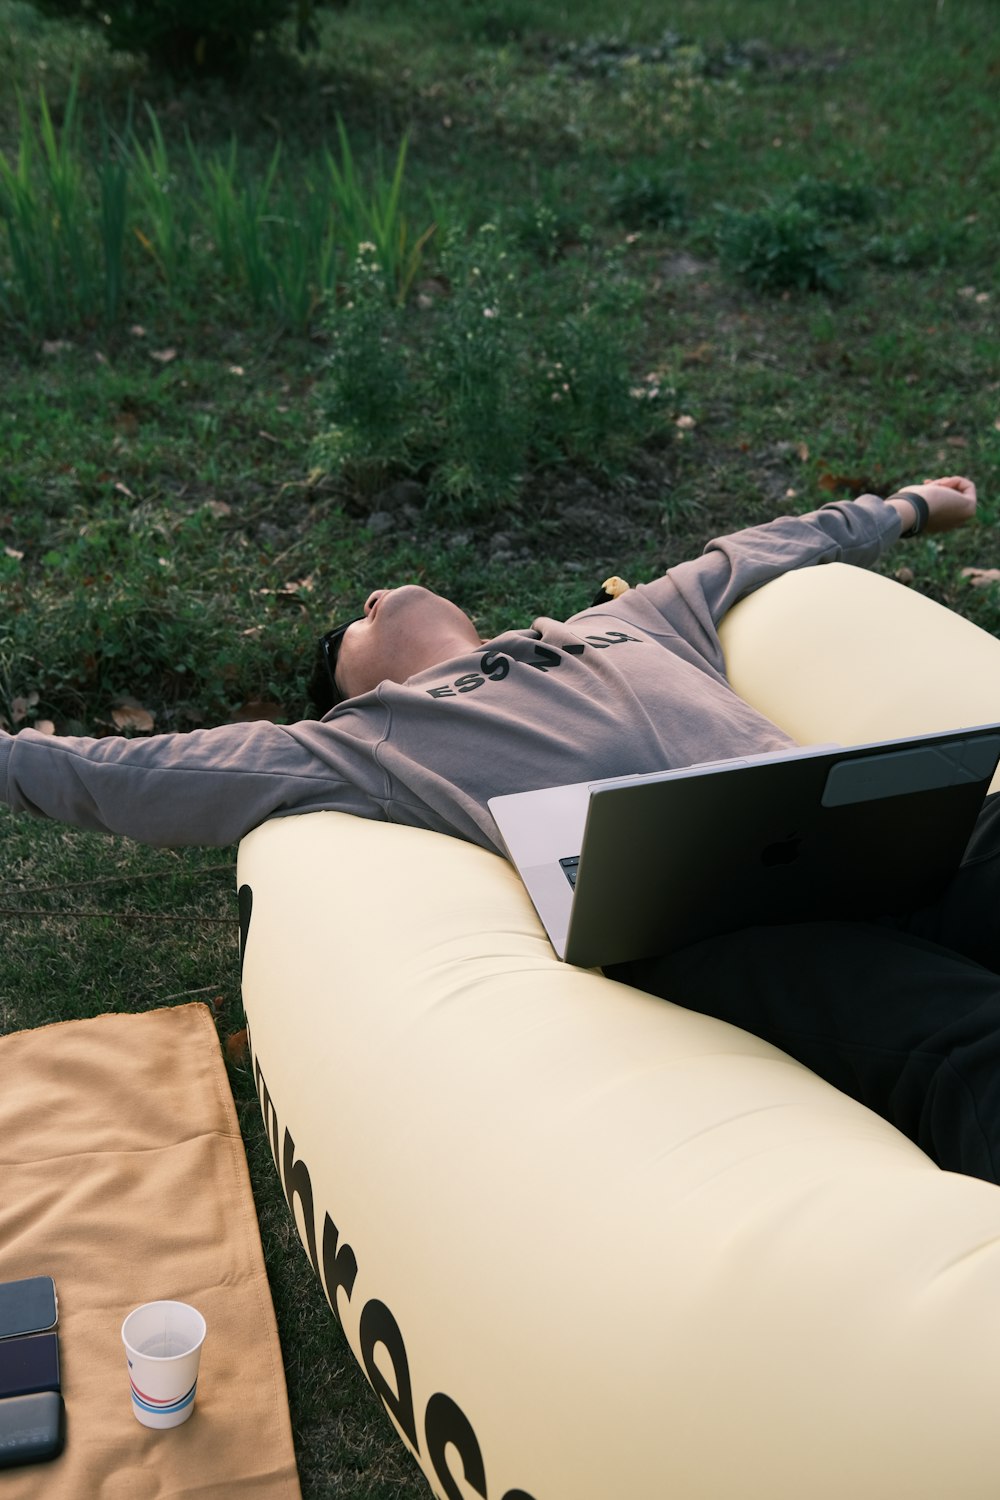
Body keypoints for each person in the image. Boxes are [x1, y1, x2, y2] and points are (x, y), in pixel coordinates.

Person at [2, 476, 996, 1182]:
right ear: (357, 679)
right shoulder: (361, 741)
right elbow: (126, 779)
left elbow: (756, 550)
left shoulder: (625, 622)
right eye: (347, 629)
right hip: (713, 915)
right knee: (961, 1044)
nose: (369, 597)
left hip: (870, 834)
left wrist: (907, 508)